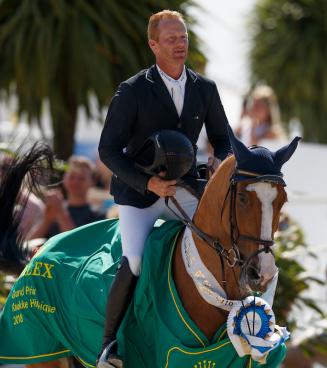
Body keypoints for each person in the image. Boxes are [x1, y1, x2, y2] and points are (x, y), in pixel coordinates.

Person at [97, 10, 231, 368]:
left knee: (218, 242)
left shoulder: (205, 88)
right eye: (171, 39)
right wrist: (148, 182)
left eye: (183, 37)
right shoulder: (132, 90)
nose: (180, 44)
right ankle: (109, 345)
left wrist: (222, 158)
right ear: (153, 44)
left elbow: (223, 137)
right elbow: (107, 150)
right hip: (139, 194)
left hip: (184, 188)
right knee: (136, 260)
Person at [28, 155, 105, 240]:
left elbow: (80, 245)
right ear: (64, 178)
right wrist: (47, 220)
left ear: (92, 182)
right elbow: (29, 243)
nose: (76, 181)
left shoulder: (98, 216)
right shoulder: (54, 208)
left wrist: (60, 212)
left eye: (81, 178)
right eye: (72, 176)